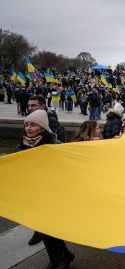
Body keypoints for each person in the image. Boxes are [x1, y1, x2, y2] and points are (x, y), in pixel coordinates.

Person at [16, 110, 74, 269]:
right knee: (44, 229)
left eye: (33, 124)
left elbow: (67, 169)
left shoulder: (55, 145)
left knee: (47, 229)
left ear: (42, 127)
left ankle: (59, 259)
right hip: (33, 193)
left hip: (51, 194)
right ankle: (63, 255)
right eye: (26, 124)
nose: (28, 128)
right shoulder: (22, 144)